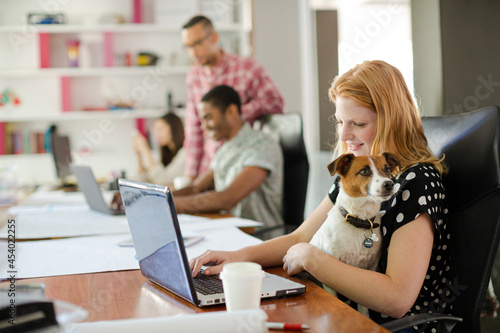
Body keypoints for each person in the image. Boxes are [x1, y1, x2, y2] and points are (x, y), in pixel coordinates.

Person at [190, 60, 453, 332]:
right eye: (340, 121)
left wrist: (313, 259)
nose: (344, 134)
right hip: (349, 310)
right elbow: (301, 237)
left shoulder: (417, 183)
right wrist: (239, 256)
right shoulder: (355, 173)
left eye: (358, 123)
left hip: (396, 326)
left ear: (391, 121)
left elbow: (397, 298)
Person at [181, 15, 284, 179]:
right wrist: (191, 175)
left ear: (214, 37)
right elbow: (194, 129)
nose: (193, 52)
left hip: (242, 164)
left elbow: (275, 102)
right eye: (188, 46)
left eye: (198, 43)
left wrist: (234, 114)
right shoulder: (193, 77)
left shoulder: (248, 68)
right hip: (210, 166)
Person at [173, 84, 284, 229]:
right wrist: (162, 199)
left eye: (208, 117)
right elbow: (196, 188)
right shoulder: (225, 149)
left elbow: (228, 198)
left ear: (231, 111)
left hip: (260, 236)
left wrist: (171, 205)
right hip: (230, 229)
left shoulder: (262, 145)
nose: (204, 126)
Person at [134, 112, 186, 186]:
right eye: (155, 130)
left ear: (173, 128)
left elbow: (162, 180)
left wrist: (145, 150)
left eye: (160, 129)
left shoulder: (185, 153)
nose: (157, 133)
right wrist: (138, 154)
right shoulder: (167, 153)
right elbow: (143, 181)